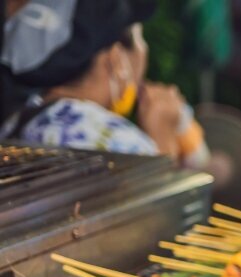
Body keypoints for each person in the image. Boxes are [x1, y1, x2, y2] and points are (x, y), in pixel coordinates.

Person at [0, 0, 209, 168]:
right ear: (115, 59)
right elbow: (161, 218)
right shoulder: (116, 142)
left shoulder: (18, 120)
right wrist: (163, 136)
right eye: (140, 40)